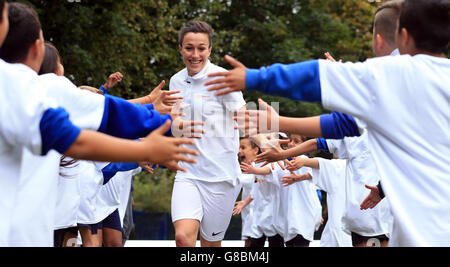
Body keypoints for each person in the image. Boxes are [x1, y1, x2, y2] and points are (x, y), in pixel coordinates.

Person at [206, 0, 450, 246]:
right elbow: (350, 125)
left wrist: (255, 79)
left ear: (402, 36)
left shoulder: (388, 75)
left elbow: (315, 79)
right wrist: (384, 188)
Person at [0, 2, 199, 246]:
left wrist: (150, 108)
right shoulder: (36, 87)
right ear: (36, 48)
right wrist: (153, 139)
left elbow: (102, 109)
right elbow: (90, 127)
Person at [169, 21, 246, 247]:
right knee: (183, 238)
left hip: (222, 177)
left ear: (210, 50)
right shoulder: (176, 80)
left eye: (201, 48)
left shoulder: (223, 79)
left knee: (210, 246)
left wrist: (265, 140)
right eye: (189, 48)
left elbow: (243, 117)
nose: (195, 54)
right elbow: (175, 123)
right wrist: (179, 126)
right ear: (181, 48)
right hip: (188, 173)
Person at [285, 157, 352, 247]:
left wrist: (303, 162)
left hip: (348, 231)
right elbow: (316, 171)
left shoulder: (340, 165)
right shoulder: (339, 165)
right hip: (336, 232)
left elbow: (319, 166)